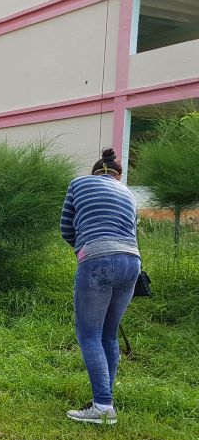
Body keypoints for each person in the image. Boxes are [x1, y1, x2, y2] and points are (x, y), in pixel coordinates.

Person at [60, 148, 141, 425]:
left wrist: (84, 251)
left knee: (90, 335)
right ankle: (104, 400)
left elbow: (66, 229)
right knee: (109, 335)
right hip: (132, 262)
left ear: (95, 171)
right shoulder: (129, 194)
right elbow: (131, 231)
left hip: (96, 259)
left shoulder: (78, 183)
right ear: (118, 176)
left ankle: (103, 408)